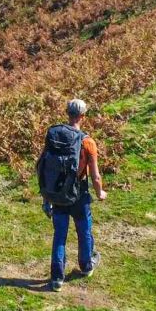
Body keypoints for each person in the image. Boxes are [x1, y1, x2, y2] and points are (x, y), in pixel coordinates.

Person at [36, 98, 105, 291]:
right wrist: (100, 192)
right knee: (84, 231)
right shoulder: (87, 142)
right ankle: (86, 265)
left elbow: (43, 167)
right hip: (79, 195)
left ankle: (57, 279)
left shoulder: (54, 136)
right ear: (83, 116)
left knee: (59, 235)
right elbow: (95, 176)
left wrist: (47, 197)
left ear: (67, 113)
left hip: (58, 194)